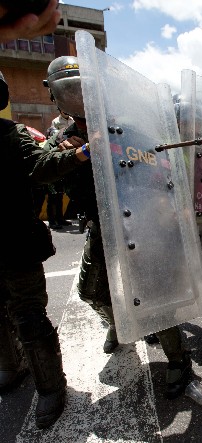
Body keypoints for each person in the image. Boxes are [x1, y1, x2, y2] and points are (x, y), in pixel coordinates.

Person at [43, 56, 192, 400]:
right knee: (92, 291)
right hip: (100, 225)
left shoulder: (124, 127)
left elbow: (161, 164)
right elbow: (43, 177)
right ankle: (121, 323)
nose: (77, 98)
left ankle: (178, 359)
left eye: (83, 89)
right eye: (69, 92)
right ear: (57, 98)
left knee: (157, 296)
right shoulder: (62, 138)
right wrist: (71, 156)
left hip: (140, 221)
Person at [0, 70, 89, 429]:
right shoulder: (11, 134)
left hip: (14, 243)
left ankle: (37, 380)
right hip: (11, 244)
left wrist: (73, 149)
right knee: (14, 316)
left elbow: (38, 165)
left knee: (24, 317)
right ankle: (28, 375)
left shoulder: (12, 135)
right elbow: (40, 167)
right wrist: (80, 151)